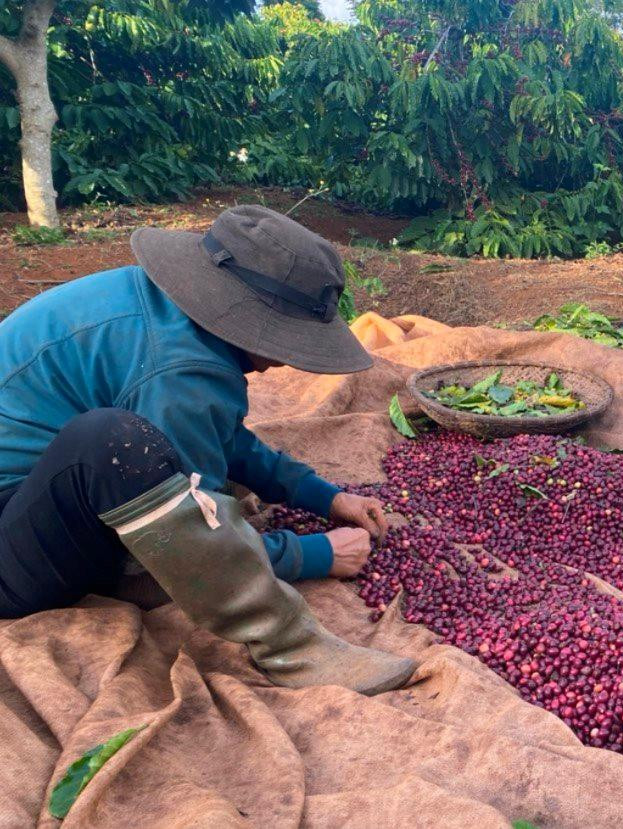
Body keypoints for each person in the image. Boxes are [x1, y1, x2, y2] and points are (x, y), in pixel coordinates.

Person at [0, 205, 413, 696]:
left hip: (40, 497)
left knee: (150, 449)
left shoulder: (165, 309)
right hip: (11, 550)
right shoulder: (180, 373)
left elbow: (220, 430)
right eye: (288, 342)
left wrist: (325, 498)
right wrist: (314, 553)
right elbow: (200, 525)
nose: (285, 361)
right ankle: (291, 648)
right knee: (113, 441)